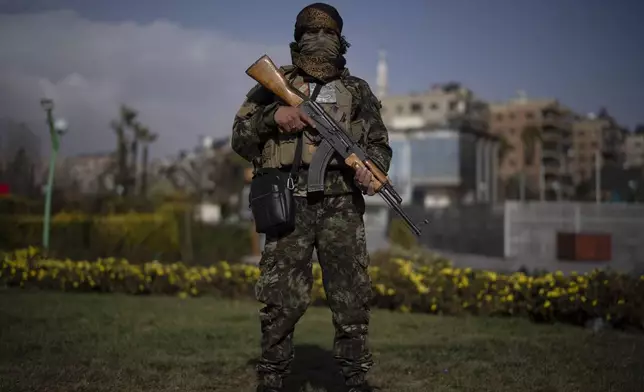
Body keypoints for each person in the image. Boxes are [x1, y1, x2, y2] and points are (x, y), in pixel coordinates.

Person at [231, 3, 392, 391]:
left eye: (329, 33)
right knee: (281, 299)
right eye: (310, 32)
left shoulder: (357, 90)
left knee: (351, 296)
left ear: (341, 40)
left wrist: (373, 173)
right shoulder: (273, 84)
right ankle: (272, 378)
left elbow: (379, 144)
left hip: (341, 205)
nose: (319, 40)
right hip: (287, 201)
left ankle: (355, 379)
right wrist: (275, 118)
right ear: (296, 39)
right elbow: (239, 137)